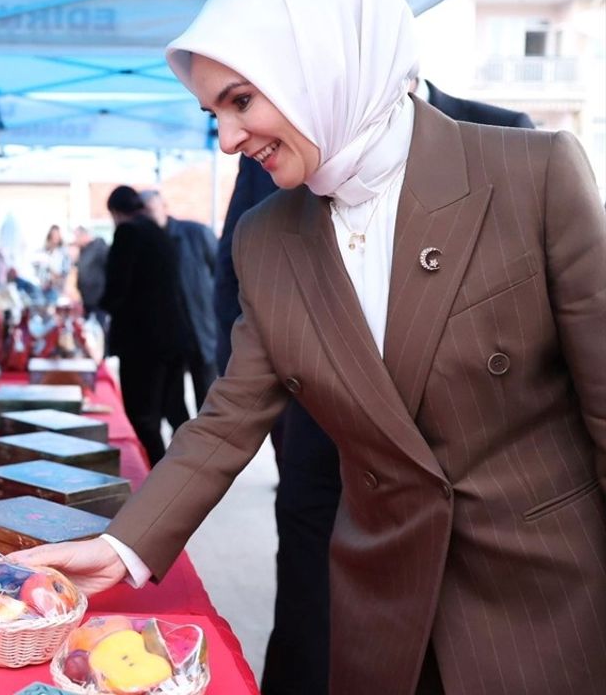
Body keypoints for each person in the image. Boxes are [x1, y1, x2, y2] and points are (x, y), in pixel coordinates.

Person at [13, 0, 605, 694]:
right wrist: (121, 545)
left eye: (240, 101)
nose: (228, 139)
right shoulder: (267, 238)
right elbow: (228, 418)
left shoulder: (532, 175)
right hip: (382, 614)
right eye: (213, 113)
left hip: (545, 610)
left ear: (324, 64)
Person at [217, 82, 538, 695]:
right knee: (316, 632)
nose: (233, 136)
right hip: (326, 448)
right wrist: (271, 414)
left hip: (467, 471)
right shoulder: (274, 148)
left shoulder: (509, 140)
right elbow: (237, 285)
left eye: (237, 105)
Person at [100, 186, 192, 466]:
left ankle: (157, 478)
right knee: (173, 411)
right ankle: (181, 471)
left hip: (143, 342)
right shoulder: (158, 231)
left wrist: (100, 304)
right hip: (173, 336)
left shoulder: (129, 233)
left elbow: (118, 289)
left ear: (115, 212)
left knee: (143, 417)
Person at [140, 189, 218, 423]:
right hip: (170, 337)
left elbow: (224, 275)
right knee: (171, 402)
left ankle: (208, 449)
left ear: (163, 207)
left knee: (208, 397)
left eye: (150, 210)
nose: (147, 217)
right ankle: (185, 445)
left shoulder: (195, 233)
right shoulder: (144, 242)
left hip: (200, 330)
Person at [72, 225, 109, 326]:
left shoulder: (99, 246)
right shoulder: (82, 251)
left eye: (77, 237)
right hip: (86, 300)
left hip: (99, 299)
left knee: (100, 327)